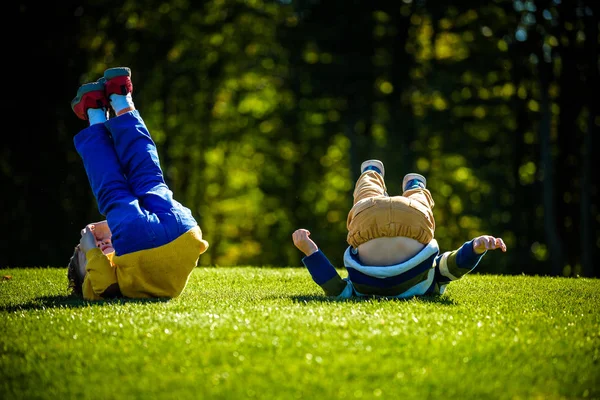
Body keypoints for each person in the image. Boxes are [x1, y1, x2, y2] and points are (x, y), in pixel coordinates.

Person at [67, 67, 209, 301]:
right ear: (84, 278)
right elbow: (103, 283)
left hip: (185, 234)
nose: (99, 246)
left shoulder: (124, 260)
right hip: (160, 238)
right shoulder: (93, 289)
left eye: (95, 246)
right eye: (85, 260)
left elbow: (137, 221)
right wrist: (89, 247)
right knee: (122, 186)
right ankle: (100, 108)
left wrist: (102, 235)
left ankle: (119, 98)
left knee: (148, 178)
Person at [292, 160, 506, 299]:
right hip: (370, 222)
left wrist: (475, 248)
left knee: (420, 204)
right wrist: (311, 251)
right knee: (366, 195)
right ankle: (371, 172)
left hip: (411, 219)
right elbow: (332, 286)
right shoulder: (358, 291)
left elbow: (455, 264)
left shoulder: (431, 282)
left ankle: (415, 187)